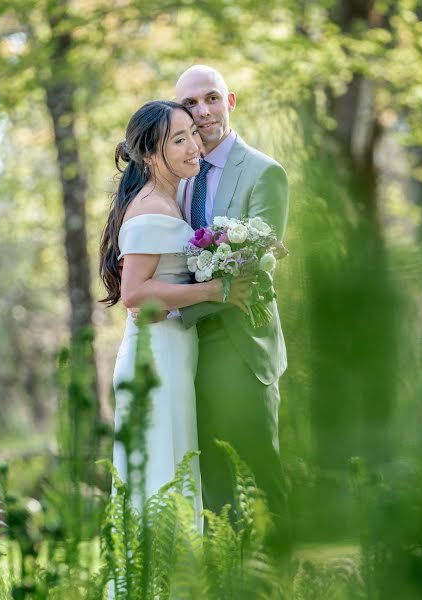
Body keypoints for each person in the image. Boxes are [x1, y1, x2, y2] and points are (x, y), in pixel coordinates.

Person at [99, 100, 252, 530]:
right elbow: (134, 295)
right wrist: (215, 290)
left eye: (193, 135)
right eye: (179, 139)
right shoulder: (151, 207)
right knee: (162, 482)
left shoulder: (167, 198)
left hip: (170, 353)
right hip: (156, 359)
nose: (194, 147)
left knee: (172, 475)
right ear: (149, 154)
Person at [174, 65, 291, 555]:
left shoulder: (263, 172)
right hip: (185, 355)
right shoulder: (175, 177)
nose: (203, 113)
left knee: (260, 485)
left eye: (212, 99)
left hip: (241, 350)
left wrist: (178, 308)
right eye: (192, 105)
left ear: (231, 102)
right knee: (214, 496)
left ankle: (280, 584)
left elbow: (253, 273)